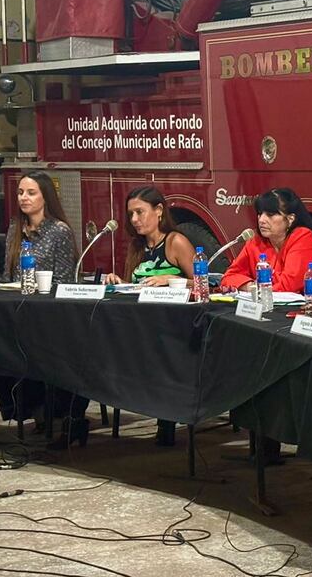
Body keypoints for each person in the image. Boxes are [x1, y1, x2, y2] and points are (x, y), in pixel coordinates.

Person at [0, 171, 84, 449]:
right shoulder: (15, 228)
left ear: (46, 197)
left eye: (31, 192)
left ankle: (53, 415)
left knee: (41, 354)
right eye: (20, 192)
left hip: (51, 316)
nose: (24, 198)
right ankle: (29, 411)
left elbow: (65, 281)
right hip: (19, 312)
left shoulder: (59, 231)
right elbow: (8, 276)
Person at [104, 185, 195, 445]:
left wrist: (169, 278)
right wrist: (117, 282)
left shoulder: (175, 242)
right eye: (131, 214)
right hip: (140, 323)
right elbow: (136, 285)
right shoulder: (137, 246)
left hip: (173, 326)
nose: (134, 219)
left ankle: (166, 417)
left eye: (140, 212)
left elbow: (205, 284)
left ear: (158, 211)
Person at [221, 188, 312, 300]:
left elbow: (289, 285)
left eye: (270, 214)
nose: (261, 220)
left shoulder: (303, 237)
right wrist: (251, 287)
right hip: (270, 306)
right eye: (260, 213)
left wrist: (254, 288)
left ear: (290, 219)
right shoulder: (255, 240)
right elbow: (229, 277)